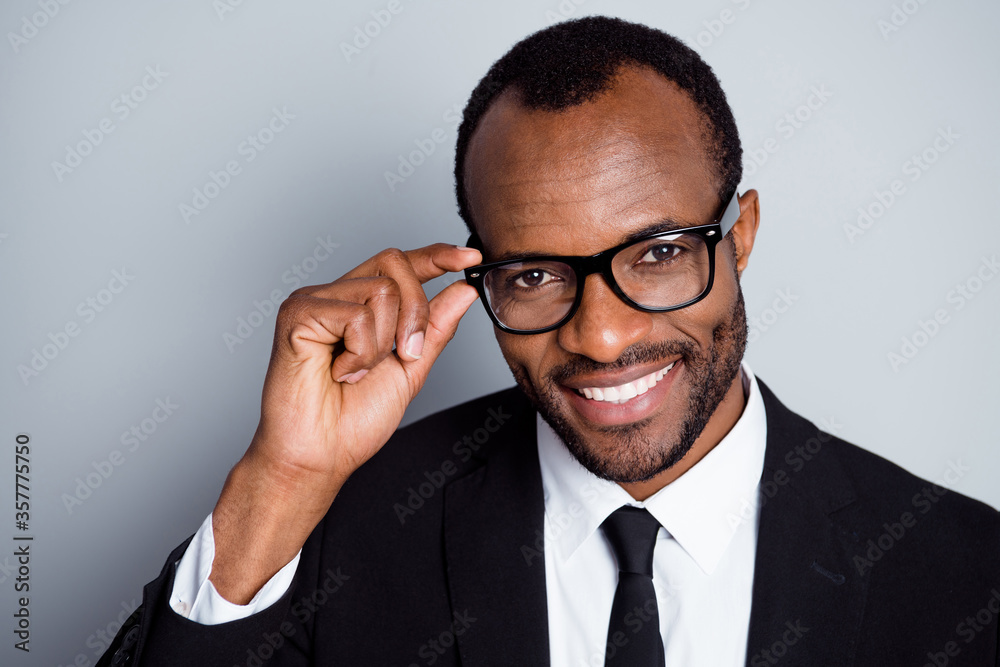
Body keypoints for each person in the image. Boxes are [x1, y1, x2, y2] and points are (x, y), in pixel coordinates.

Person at [99, 16, 999, 667]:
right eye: (533, 274)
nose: (600, 335)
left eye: (656, 253)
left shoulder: (960, 572)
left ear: (744, 235)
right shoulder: (342, 533)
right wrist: (282, 479)